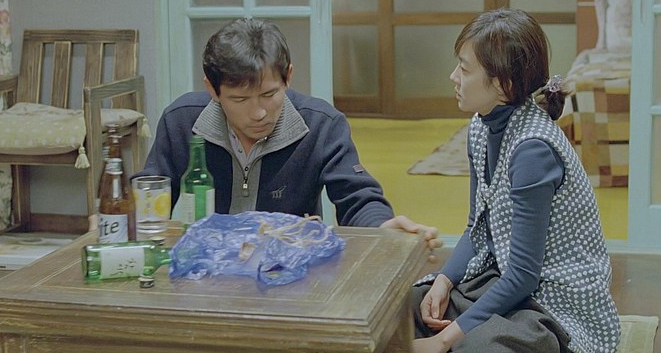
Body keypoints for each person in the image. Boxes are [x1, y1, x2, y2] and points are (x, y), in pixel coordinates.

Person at [408, 8, 620, 353]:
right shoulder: (480, 127)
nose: (453, 77)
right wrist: (443, 282)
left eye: (464, 69)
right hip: (505, 278)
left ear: (503, 84)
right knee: (402, 307)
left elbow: (524, 276)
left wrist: (442, 340)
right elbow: (478, 227)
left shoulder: (532, 150)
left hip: (553, 305)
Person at [136, 17, 440, 250]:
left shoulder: (321, 125)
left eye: (269, 94)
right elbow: (149, 195)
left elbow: (357, 197)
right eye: (240, 100)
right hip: (206, 264)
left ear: (288, 77)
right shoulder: (182, 121)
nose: (258, 112)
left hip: (288, 269)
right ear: (212, 90)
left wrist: (382, 227)